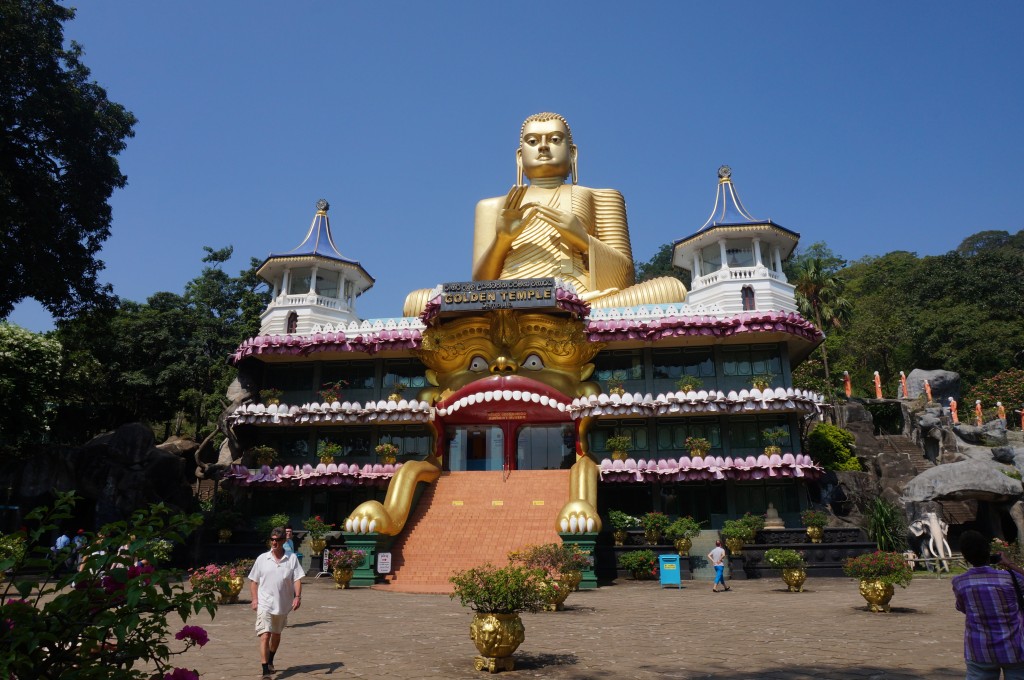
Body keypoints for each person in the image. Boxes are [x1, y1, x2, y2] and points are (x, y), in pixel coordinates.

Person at [403, 112, 686, 316]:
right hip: (504, 298)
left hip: (580, 299)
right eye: (533, 141)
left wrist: (582, 239)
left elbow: (623, 279)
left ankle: (553, 309)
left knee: (670, 289)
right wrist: (502, 239)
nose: (543, 146)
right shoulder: (492, 206)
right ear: (519, 156)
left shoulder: (601, 196)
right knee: (417, 301)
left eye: (554, 139)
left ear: (572, 153)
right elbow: (481, 285)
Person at [952, 530, 1024, 679]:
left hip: (980, 649)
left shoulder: (960, 582)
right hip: (1015, 647)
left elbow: (962, 607)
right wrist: (1009, 563)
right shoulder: (1010, 579)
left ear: (965, 556)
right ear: (988, 552)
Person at [248, 526, 305, 679]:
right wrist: (255, 599)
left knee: (276, 634)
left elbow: (297, 579)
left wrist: (297, 596)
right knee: (265, 634)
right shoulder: (262, 559)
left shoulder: (291, 558)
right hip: (264, 602)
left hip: (282, 604)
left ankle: (271, 659)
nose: (274, 543)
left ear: (283, 541)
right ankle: (265, 669)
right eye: (272, 540)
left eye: (277, 540)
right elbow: (253, 582)